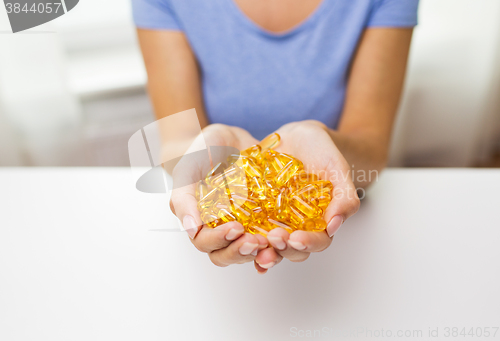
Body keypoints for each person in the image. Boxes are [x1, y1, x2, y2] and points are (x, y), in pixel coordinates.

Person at [132, 0, 419, 273]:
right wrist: (199, 154)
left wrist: (321, 139)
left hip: (354, 250)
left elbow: (371, 148)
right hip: (206, 274)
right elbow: (179, 138)